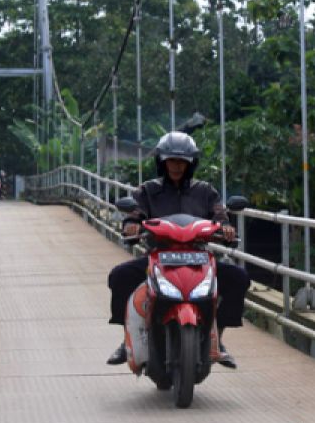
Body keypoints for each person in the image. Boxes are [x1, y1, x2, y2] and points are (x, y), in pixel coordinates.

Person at [106, 131, 249, 369]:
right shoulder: (148, 190)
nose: (176, 166)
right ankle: (127, 340)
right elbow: (135, 214)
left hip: (198, 257)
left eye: (182, 161)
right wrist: (130, 226)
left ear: (190, 164)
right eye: (172, 160)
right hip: (158, 256)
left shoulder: (205, 191)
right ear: (162, 162)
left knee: (239, 278)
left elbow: (220, 215)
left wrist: (226, 228)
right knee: (119, 277)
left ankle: (218, 338)